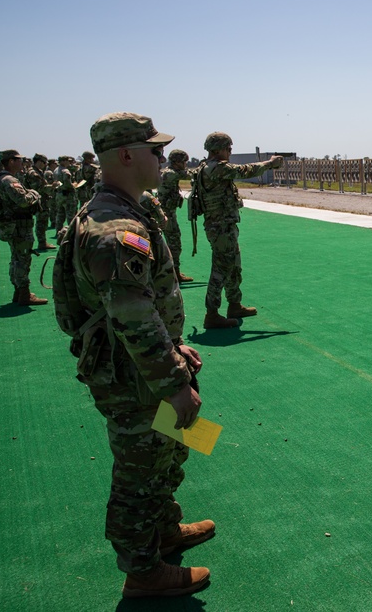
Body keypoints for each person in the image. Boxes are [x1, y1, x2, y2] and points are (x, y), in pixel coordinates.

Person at [59, 112, 212, 598]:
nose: (164, 160)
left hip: (145, 366)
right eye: (156, 151)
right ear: (126, 155)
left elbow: (142, 305)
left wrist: (175, 346)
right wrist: (174, 383)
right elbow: (130, 317)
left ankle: (163, 529)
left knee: (169, 452)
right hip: (137, 379)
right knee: (139, 471)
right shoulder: (115, 227)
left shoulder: (124, 209)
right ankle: (143, 571)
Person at [194, 132, 282, 329]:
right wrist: (270, 163)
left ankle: (234, 305)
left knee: (233, 265)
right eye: (228, 148)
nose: (230, 152)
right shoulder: (216, 168)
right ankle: (212, 314)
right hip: (221, 227)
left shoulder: (205, 167)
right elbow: (245, 171)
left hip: (223, 226)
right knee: (221, 268)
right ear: (218, 149)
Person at [0, 149, 47, 305]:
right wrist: (35, 193)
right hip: (19, 225)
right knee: (22, 259)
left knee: (16, 258)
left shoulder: (2, 178)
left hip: (13, 224)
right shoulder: (9, 180)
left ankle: (19, 291)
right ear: (10, 161)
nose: (22, 163)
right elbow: (23, 200)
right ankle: (24, 293)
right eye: (19, 160)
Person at [158, 149, 193, 282]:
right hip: (166, 214)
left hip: (167, 213)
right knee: (174, 243)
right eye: (184, 162)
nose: (185, 164)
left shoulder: (169, 173)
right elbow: (189, 175)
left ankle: (173, 271)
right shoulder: (170, 173)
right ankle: (174, 273)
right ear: (177, 162)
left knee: (172, 243)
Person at [24, 153, 56, 250]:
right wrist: (52, 186)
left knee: (42, 222)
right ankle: (42, 243)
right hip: (39, 202)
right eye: (44, 162)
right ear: (38, 161)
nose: (45, 164)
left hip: (41, 201)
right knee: (41, 223)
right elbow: (38, 188)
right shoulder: (34, 173)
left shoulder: (38, 172)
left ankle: (42, 241)